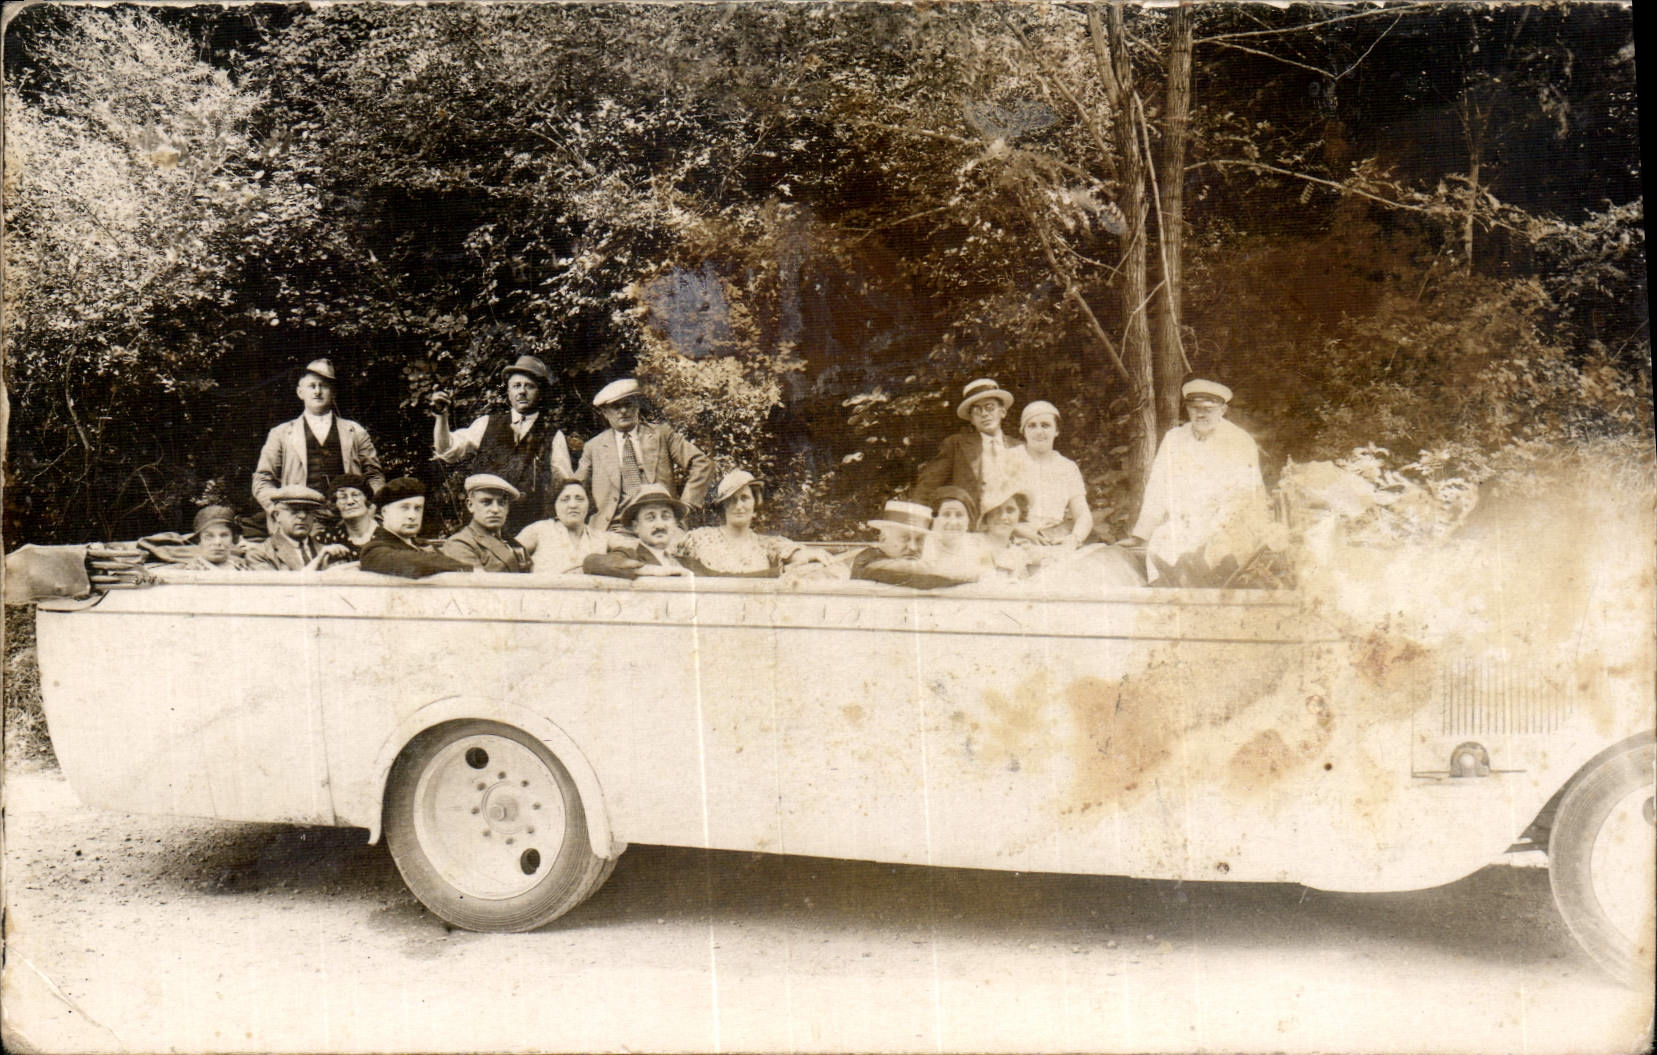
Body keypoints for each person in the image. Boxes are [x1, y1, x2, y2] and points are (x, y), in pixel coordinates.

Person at [1122, 377, 1269, 585]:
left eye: (1208, 409)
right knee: (1162, 547)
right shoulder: (1174, 439)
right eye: (1194, 408)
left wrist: (1226, 527)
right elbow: (1157, 489)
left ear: (1222, 410)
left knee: (1222, 565)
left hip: (1226, 526)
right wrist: (1141, 534)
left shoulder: (1239, 441)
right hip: (1183, 525)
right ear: (1188, 410)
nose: (1201, 414)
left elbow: (1248, 495)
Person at [430, 354, 572, 533]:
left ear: (540, 392)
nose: (522, 391)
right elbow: (447, 450)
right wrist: (441, 415)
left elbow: (565, 486)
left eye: (529, 386)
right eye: (516, 386)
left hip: (529, 529)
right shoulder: (486, 424)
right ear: (508, 391)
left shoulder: (553, 436)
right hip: (482, 527)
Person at [577, 378, 714, 531]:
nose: (623, 411)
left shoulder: (661, 434)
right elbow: (576, 486)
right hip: (615, 527)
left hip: (662, 523)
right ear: (604, 412)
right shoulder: (594, 447)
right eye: (616, 407)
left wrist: (687, 504)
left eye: (628, 404)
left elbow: (702, 463)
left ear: (637, 406)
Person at [252, 358, 384, 515]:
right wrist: (277, 510)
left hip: (349, 516)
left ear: (333, 392)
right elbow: (262, 480)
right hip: (301, 517)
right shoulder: (281, 433)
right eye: (312, 386)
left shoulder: (355, 431)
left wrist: (370, 507)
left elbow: (374, 475)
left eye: (324, 386)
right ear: (300, 392)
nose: (317, 391)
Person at [673, 470, 828, 577]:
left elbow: (794, 553)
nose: (739, 506)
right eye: (731, 500)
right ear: (722, 506)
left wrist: (810, 555)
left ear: (755, 503)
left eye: (745, 498)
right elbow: (667, 557)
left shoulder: (766, 544)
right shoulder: (700, 538)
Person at [912, 378, 1025, 511]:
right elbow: (927, 488)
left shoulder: (1020, 448)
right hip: (970, 527)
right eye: (977, 410)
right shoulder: (956, 445)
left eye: (989, 407)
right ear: (971, 419)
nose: (984, 414)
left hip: (1009, 525)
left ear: (1002, 412)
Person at [1011, 401, 1093, 548]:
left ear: (1057, 431)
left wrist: (1074, 539)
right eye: (1032, 426)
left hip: (1055, 540)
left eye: (1045, 425)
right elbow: (992, 511)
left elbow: (1083, 515)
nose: (1039, 431)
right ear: (1023, 431)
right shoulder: (1008, 459)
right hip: (1015, 539)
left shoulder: (1067, 467)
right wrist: (1019, 530)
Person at [358, 478, 472, 579]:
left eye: (417, 508)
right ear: (385, 512)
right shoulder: (374, 550)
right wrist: (465, 567)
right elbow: (415, 563)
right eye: (404, 508)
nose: (412, 516)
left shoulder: (421, 544)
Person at [850, 499, 972, 589]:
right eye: (905, 538)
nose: (913, 547)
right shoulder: (869, 562)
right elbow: (928, 572)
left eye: (919, 540)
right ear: (883, 539)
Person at [582, 483, 696, 579]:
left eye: (666, 517)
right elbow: (591, 563)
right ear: (636, 526)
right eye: (650, 518)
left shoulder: (688, 563)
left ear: (675, 524)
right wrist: (648, 570)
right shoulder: (631, 555)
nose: (659, 525)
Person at [245, 486, 352, 571]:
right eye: (294, 510)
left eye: (308, 511)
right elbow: (280, 592)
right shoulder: (260, 554)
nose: (302, 516)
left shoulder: (329, 552)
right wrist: (319, 560)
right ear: (277, 515)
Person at [440, 474, 531, 572]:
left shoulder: (511, 543)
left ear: (507, 508)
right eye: (486, 502)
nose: (495, 509)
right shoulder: (460, 544)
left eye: (501, 503)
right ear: (470, 505)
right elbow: (476, 585)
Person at [515, 479, 607, 575]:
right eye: (565, 500)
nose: (573, 505)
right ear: (554, 504)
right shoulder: (539, 530)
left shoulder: (600, 537)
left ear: (589, 503)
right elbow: (505, 558)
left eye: (580, 499)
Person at [919, 486, 990, 582]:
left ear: (968, 520)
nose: (953, 522)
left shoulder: (977, 544)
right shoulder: (922, 544)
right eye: (946, 514)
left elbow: (989, 576)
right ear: (934, 518)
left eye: (959, 515)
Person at [978, 484, 1037, 581]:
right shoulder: (975, 545)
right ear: (986, 515)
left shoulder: (1018, 552)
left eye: (1010, 510)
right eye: (996, 510)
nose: (1003, 517)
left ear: (1020, 514)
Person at [314, 473, 380, 554]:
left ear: (366, 500)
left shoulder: (387, 535)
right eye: (343, 497)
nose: (350, 501)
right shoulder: (327, 539)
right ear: (335, 504)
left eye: (355, 495)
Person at [182, 505, 249, 571]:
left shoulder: (241, 568)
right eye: (209, 536)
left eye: (224, 535)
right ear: (199, 540)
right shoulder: (191, 572)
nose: (217, 542)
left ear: (233, 538)